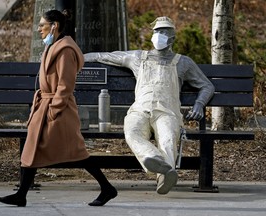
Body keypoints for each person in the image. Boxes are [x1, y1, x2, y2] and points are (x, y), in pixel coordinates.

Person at [0, 9, 117, 207]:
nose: (39, 29)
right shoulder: (53, 47)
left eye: (42, 25)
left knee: (77, 153)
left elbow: (65, 85)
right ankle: (21, 194)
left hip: (58, 110)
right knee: (33, 148)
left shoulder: (65, 50)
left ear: (55, 26)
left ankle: (107, 187)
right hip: (46, 106)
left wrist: (54, 109)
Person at [84, 17, 215, 195]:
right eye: (156, 32)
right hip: (140, 110)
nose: (159, 35)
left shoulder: (183, 62)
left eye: (164, 32)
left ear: (172, 39)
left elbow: (206, 85)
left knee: (168, 138)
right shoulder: (137, 57)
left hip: (167, 112)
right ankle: (157, 162)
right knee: (132, 132)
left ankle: (163, 176)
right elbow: (106, 56)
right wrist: (77, 56)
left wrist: (199, 105)